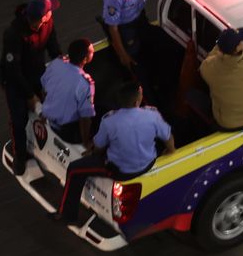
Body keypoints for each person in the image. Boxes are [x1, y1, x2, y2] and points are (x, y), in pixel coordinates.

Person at [54, 82, 175, 224]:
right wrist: (171, 150)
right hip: (146, 165)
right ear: (137, 101)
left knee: (74, 169)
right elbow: (168, 138)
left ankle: (67, 215)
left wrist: (93, 154)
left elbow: (99, 147)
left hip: (120, 170)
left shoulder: (109, 121)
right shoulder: (152, 115)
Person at [102, 0, 184, 101]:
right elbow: (113, 28)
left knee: (165, 43)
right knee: (135, 61)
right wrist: (123, 55)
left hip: (140, 19)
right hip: (125, 27)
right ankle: (147, 94)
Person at [0, 0, 61, 175]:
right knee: (19, 120)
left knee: (46, 113)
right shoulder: (13, 34)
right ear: (41, 18)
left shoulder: (47, 24)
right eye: (49, 12)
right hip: (14, 80)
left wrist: (63, 65)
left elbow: (53, 46)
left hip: (36, 74)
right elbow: (13, 69)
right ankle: (20, 156)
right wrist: (29, 95)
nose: (51, 14)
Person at [40, 39, 96, 148]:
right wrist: (86, 142)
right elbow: (85, 118)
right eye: (92, 51)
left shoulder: (56, 63)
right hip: (67, 132)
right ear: (85, 59)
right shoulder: (85, 83)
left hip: (50, 121)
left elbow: (44, 89)